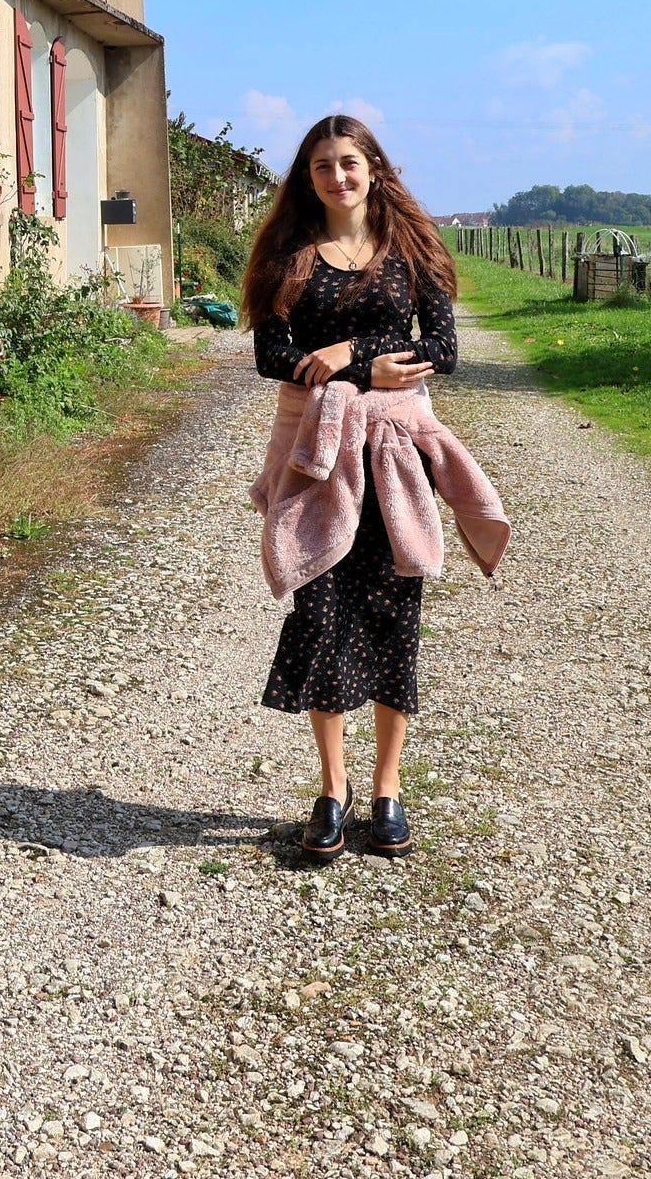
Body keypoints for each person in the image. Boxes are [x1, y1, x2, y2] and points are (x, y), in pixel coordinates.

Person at [240, 114, 482, 864]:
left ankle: (386, 789)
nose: (336, 176)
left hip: (392, 460)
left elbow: (441, 349)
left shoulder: (411, 250)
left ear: (373, 167)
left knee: (390, 619)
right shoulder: (287, 252)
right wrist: (357, 371)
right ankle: (331, 789)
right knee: (319, 614)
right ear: (305, 177)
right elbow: (269, 354)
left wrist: (353, 351)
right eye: (321, 166)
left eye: (348, 162)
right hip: (316, 457)